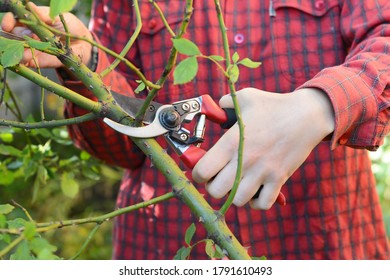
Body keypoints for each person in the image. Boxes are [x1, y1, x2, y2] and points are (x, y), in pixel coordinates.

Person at [2, 0, 389, 259]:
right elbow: (120, 147)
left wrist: (318, 105)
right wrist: (84, 58)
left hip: (326, 241)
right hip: (161, 247)